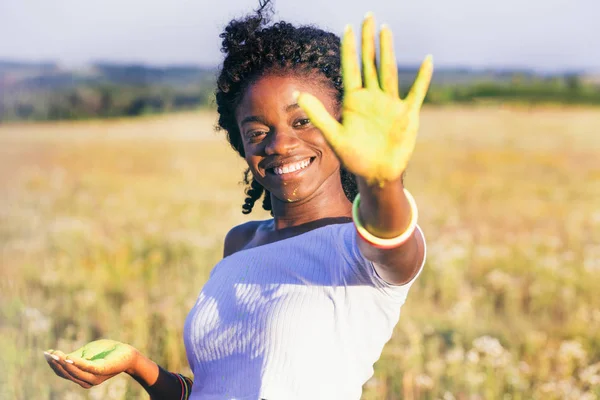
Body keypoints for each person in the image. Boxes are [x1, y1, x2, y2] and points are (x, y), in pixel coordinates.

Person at [43, 1, 433, 399]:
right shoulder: (241, 242)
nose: (280, 144)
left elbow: (391, 237)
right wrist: (136, 365)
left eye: (304, 121)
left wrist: (382, 181)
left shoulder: (362, 248)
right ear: (240, 142)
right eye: (257, 130)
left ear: (346, 127)